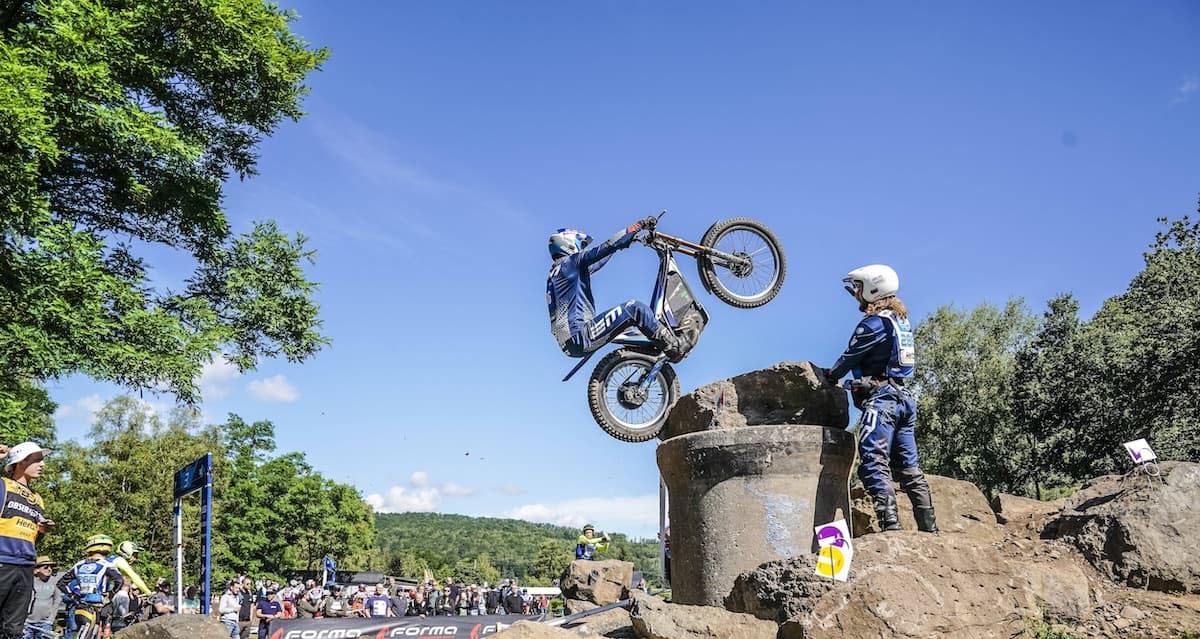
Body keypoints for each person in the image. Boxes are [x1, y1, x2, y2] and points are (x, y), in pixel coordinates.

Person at [824, 264, 938, 534]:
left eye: (859, 288)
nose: (856, 294)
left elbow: (848, 358)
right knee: (909, 469)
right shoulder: (900, 321)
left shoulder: (874, 323)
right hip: (904, 399)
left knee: (874, 462)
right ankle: (930, 531)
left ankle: (892, 528)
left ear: (873, 288)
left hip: (882, 400)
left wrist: (830, 376)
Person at [546, 219, 682, 360]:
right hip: (580, 335)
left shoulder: (558, 272)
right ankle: (675, 348)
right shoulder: (570, 263)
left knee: (635, 328)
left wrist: (625, 243)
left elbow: (601, 257)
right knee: (634, 308)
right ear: (568, 244)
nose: (582, 250)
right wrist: (638, 226)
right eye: (581, 245)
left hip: (569, 343)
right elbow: (607, 247)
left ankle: (650, 356)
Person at [0, 442, 53, 639]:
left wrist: (42, 531)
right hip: (3, 562)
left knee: (13, 630)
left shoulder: (38, 499)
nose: (42, 464)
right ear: (21, 462)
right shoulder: (3, 485)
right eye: (37, 459)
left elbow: (32, 537)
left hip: (26, 566)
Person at [57, 534, 125, 635]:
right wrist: (110, 595)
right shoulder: (106, 565)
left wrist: (73, 595)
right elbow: (120, 581)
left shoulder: (79, 565)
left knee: (81, 634)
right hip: (96, 607)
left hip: (79, 606)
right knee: (87, 635)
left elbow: (61, 583)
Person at [22, 556, 60, 639]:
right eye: (45, 567)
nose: (49, 569)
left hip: (45, 623)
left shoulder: (54, 582)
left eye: (51, 567)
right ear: (36, 570)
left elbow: (57, 601)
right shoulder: (29, 581)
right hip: (27, 623)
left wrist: (50, 619)